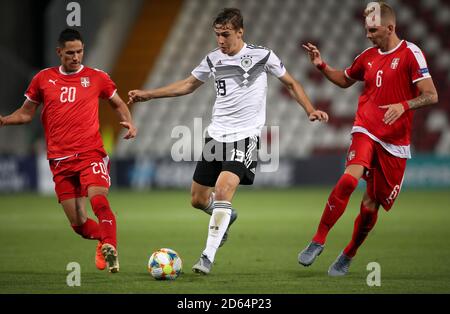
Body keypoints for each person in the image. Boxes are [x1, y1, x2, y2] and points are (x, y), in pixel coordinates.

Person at [128, 8, 329, 274]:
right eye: (217, 35)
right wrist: (149, 95)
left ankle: (207, 257)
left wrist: (309, 109)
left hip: (245, 137)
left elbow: (291, 83)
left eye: (225, 35)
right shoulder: (213, 59)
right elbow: (188, 85)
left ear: (239, 32)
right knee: (198, 199)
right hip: (215, 135)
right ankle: (226, 217)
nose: (220, 40)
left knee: (223, 191)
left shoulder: (262, 55)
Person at [298, 1, 438, 276]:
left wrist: (404, 105)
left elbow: (432, 94)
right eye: (366, 29)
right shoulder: (367, 56)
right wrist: (322, 65)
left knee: (371, 204)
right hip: (366, 128)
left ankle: (349, 253)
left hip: (395, 142)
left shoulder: (412, 54)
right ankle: (318, 239)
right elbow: (344, 79)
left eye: (373, 30)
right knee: (350, 178)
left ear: (390, 27)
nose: (367, 34)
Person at [0, 29, 137, 273]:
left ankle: (112, 249)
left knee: (99, 201)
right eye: (70, 53)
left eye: (80, 52)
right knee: (79, 225)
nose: (76, 57)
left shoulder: (97, 77)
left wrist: (129, 121)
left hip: (90, 153)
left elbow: (117, 103)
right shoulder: (43, 79)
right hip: (59, 160)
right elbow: (26, 113)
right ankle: (102, 241)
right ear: (59, 52)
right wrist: (5, 120)